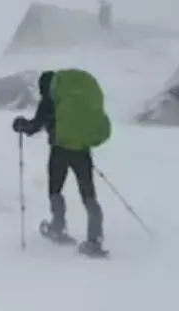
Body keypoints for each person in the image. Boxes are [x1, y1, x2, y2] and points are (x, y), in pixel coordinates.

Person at [12, 69, 110, 256]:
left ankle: (58, 227)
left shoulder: (49, 101)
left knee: (55, 189)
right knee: (88, 193)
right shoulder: (75, 100)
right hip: (82, 150)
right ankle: (94, 239)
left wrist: (21, 125)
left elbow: (34, 126)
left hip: (60, 150)